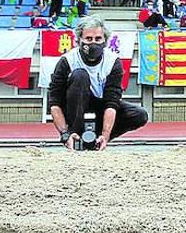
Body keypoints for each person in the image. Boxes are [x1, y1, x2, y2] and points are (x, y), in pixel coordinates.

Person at [46, 16, 148, 150]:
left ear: (104, 40)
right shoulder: (67, 61)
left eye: (98, 39)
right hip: (73, 106)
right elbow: (54, 102)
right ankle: (75, 135)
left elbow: (112, 102)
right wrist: (65, 133)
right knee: (80, 75)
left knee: (139, 114)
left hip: (101, 104)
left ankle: (98, 140)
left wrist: (105, 135)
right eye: (88, 39)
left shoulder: (113, 62)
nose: (93, 43)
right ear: (79, 40)